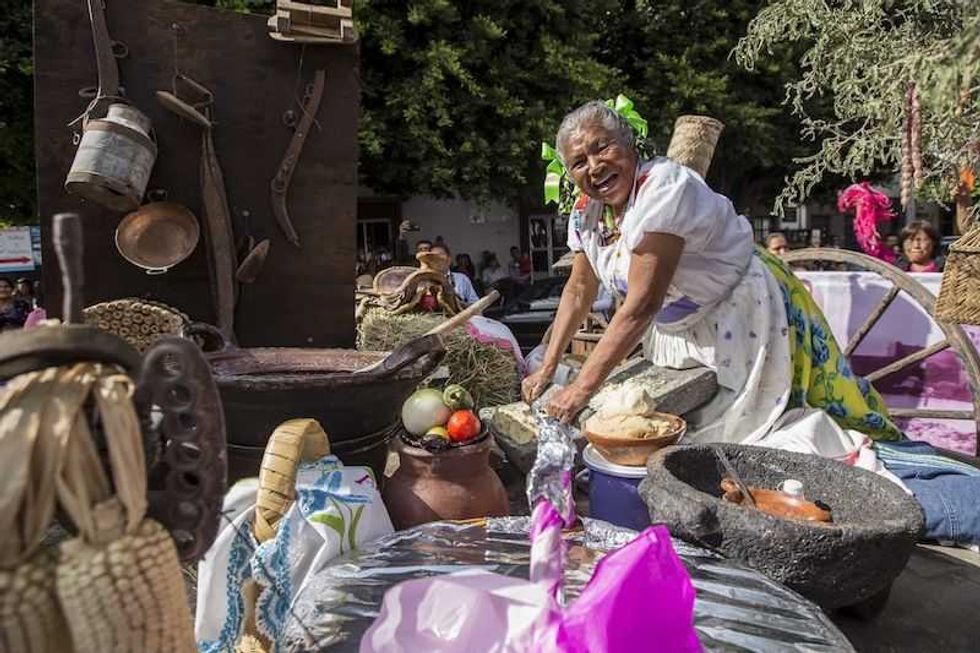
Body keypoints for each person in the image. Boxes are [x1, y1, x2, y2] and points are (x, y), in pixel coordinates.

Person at [521, 100, 901, 448]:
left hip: (737, 314)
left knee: (745, 438)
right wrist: (549, 362)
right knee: (679, 427)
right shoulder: (587, 212)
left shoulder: (664, 188)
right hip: (677, 329)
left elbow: (642, 303)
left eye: (602, 147)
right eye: (579, 161)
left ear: (630, 145)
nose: (594, 166)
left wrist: (580, 390)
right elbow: (578, 288)